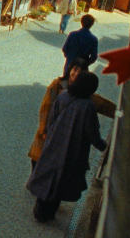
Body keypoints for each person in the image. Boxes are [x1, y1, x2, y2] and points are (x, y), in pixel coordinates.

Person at [26, 70, 107, 223]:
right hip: (73, 150)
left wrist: (49, 135)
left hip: (53, 144)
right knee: (60, 183)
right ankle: (48, 213)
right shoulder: (87, 106)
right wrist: (103, 147)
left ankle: (40, 210)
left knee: (48, 176)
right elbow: (92, 133)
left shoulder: (63, 96)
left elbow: (52, 119)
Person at [28, 58, 115, 171]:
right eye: (75, 69)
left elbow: (102, 105)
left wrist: (118, 112)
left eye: (80, 71)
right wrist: (44, 131)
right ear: (70, 69)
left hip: (62, 142)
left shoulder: (85, 94)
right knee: (39, 166)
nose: (76, 73)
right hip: (47, 136)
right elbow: (45, 108)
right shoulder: (57, 85)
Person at [61, 14, 97, 78]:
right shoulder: (93, 39)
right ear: (92, 25)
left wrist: (69, 57)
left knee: (66, 81)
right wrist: (86, 63)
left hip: (69, 64)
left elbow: (65, 49)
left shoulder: (72, 34)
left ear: (81, 22)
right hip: (82, 68)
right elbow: (93, 57)